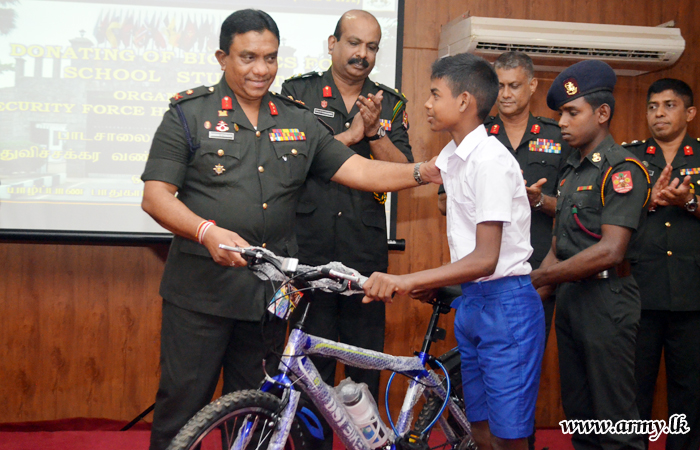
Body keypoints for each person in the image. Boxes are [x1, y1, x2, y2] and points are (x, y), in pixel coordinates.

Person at [140, 10, 441, 450]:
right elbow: (156, 196)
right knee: (183, 409)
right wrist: (205, 231)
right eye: (248, 58)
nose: (261, 69)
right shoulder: (189, 114)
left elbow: (359, 171)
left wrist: (425, 171)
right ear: (223, 57)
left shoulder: (296, 118)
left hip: (270, 300)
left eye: (270, 58)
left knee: (257, 412)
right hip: (201, 294)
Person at [363, 52, 545, 450]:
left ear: (463, 101)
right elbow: (408, 173)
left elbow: (485, 259)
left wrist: (406, 279)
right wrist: (374, 134)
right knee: (476, 427)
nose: (426, 104)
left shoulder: (491, 162)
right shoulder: (455, 154)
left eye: (434, 94)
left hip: (506, 307)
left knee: (509, 436)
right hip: (474, 303)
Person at [280, 10, 412, 409]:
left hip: (364, 252)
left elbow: (404, 169)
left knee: (363, 365)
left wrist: (372, 134)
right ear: (332, 44)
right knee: (308, 370)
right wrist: (350, 136)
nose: (363, 54)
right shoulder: (296, 92)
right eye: (354, 43)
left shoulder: (389, 102)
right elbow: (290, 159)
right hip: (308, 251)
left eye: (372, 46)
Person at [530, 60, 650, 450]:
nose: (562, 121)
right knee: (580, 418)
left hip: (606, 302)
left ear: (602, 114)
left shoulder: (622, 169)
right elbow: (558, 246)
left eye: (571, 112)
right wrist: (530, 290)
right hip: (572, 300)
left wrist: (544, 279)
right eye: (561, 113)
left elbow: (611, 250)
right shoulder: (571, 171)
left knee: (615, 422)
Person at [624, 78, 700, 450]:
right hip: (639, 289)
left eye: (669, 106)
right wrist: (650, 201)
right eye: (653, 106)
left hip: (692, 293)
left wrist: (688, 202)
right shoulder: (630, 159)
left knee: (689, 389)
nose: (659, 113)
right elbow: (611, 215)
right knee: (634, 387)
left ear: (689, 113)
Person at [486, 51, 572, 346]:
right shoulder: (478, 136)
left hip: (539, 273)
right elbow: (445, 203)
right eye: (499, 86)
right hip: (485, 271)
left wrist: (538, 201)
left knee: (526, 364)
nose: (505, 94)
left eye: (515, 85)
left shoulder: (558, 137)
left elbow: (576, 209)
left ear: (533, 85)